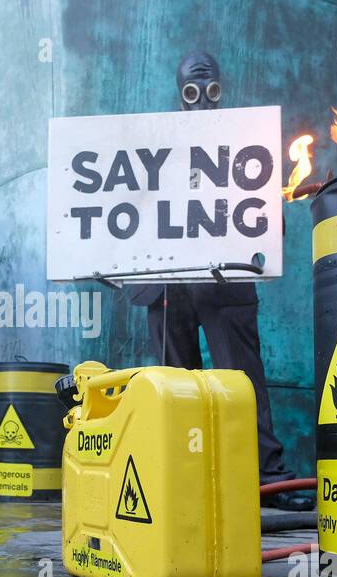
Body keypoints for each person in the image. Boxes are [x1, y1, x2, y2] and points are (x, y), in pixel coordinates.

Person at [127, 51, 310, 512]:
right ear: (179, 93)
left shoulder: (248, 141)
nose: (202, 101)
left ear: (221, 89)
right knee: (176, 383)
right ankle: (184, 478)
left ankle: (266, 479)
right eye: (192, 91)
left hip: (224, 280)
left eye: (210, 90)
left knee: (243, 380)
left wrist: (268, 217)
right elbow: (128, 210)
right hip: (166, 284)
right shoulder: (154, 143)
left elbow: (266, 221)